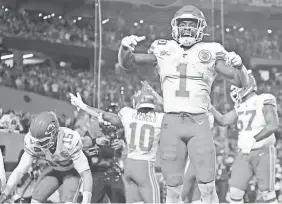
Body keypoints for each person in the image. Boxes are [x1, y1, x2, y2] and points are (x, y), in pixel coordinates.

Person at [118, 4, 250, 203]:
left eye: (192, 23)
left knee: (207, 185)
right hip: (172, 123)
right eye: (183, 23)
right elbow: (127, 63)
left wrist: (240, 67)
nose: (187, 28)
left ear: (200, 27)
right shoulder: (164, 48)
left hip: (199, 123)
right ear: (175, 26)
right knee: (172, 189)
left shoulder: (211, 50)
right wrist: (124, 48)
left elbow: (240, 82)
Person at [70, 86, 164, 203]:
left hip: (129, 166)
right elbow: (176, 115)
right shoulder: (160, 118)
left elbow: (102, 114)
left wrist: (82, 105)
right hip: (144, 166)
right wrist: (159, 98)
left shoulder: (128, 113)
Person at [210, 71, 279, 204]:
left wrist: (254, 139)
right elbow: (223, 120)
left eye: (237, 85)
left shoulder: (264, 99)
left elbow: (273, 125)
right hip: (244, 153)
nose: (234, 89)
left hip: (263, 151)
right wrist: (209, 107)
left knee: (267, 195)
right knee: (234, 194)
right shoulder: (240, 106)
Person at [0, 111, 93, 203]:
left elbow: (86, 174)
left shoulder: (69, 140)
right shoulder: (32, 141)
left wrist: (86, 201)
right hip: (52, 169)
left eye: (43, 141)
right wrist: (5, 193)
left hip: (72, 171)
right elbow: (20, 170)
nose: (38, 144)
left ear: (55, 134)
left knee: (68, 201)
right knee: (35, 201)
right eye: (36, 141)